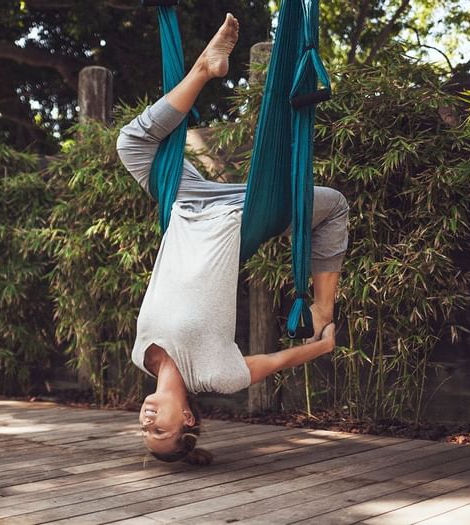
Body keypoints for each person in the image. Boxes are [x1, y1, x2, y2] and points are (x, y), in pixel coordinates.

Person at [116, 13, 348, 466]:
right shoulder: (217, 377)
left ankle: (205, 67)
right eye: (159, 430)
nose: (147, 423)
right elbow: (274, 363)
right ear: (187, 419)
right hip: (241, 217)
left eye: (145, 432)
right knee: (333, 204)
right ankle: (324, 301)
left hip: (184, 205)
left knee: (131, 143)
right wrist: (321, 339)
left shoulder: (140, 357)